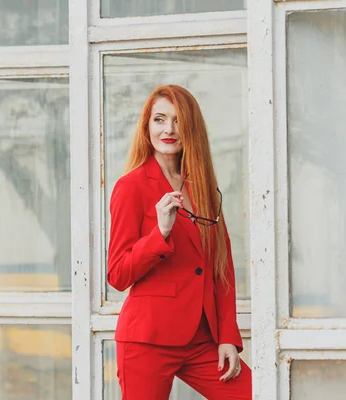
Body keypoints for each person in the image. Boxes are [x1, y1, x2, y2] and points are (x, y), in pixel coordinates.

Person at [107, 84, 252, 399]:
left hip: (203, 340)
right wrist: (159, 234)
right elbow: (117, 274)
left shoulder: (203, 187)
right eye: (159, 119)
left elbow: (221, 268)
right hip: (147, 340)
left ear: (191, 129)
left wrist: (228, 336)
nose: (168, 130)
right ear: (147, 128)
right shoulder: (130, 187)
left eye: (177, 121)